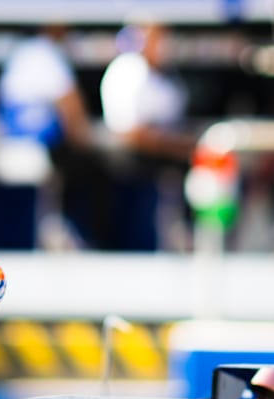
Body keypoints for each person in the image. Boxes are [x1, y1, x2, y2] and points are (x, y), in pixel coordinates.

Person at [0, 24, 91, 249]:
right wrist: (84, 141)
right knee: (90, 170)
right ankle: (81, 235)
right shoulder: (45, 54)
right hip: (34, 153)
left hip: (11, 152)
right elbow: (72, 110)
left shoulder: (21, 54)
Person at [98, 21, 195, 251]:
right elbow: (131, 133)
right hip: (130, 168)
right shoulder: (128, 70)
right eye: (159, 39)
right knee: (135, 239)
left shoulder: (166, 75)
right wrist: (178, 146)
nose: (165, 46)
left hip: (157, 164)